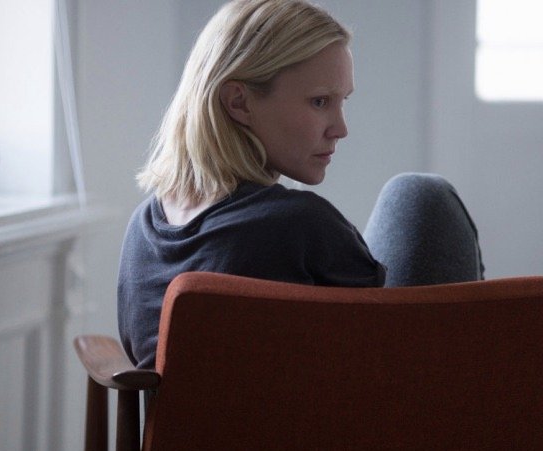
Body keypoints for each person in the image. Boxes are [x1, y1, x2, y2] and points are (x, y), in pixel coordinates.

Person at [118, 0, 483, 370]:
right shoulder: (300, 225)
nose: (341, 128)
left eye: (342, 102)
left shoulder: (141, 231)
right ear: (239, 102)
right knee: (419, 196)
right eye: (320, 102)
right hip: (371, 404)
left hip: (208, 411)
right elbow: (383, 354)